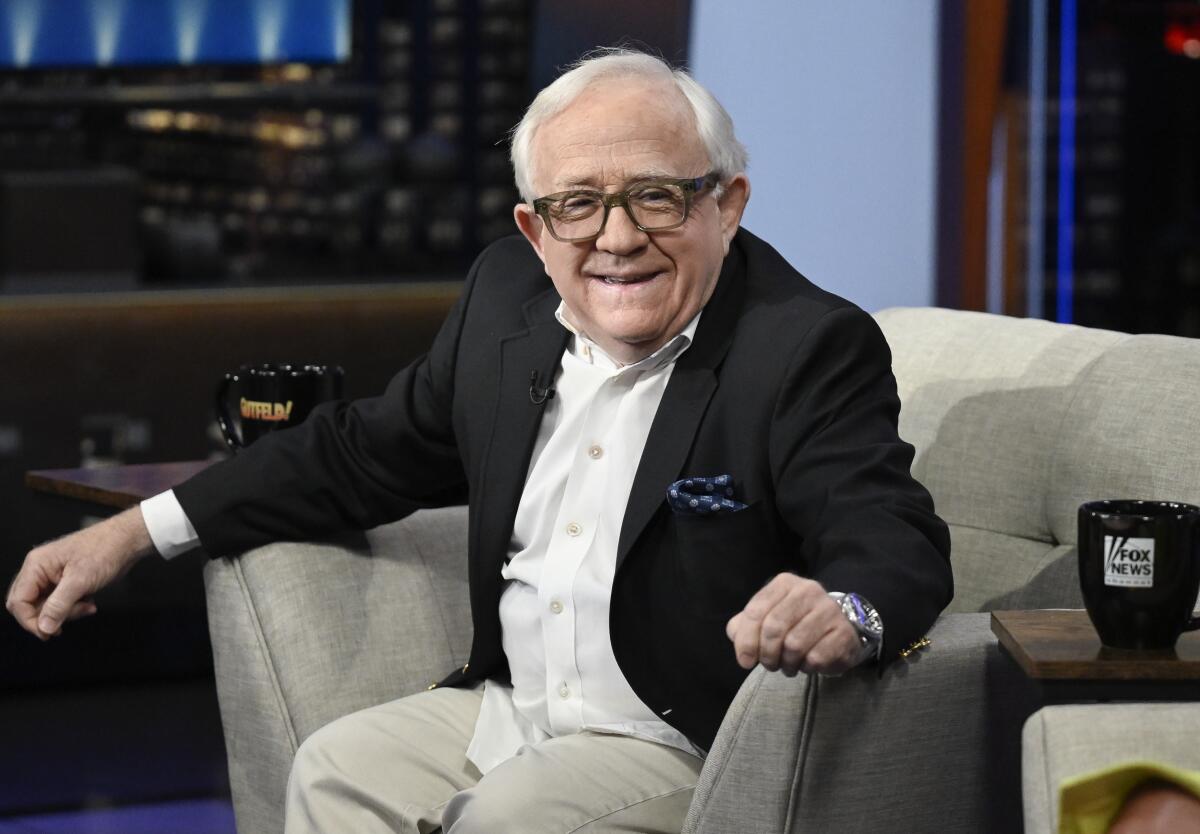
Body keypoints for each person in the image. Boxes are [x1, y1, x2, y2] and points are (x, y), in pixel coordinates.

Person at [7, 49, 952, 833]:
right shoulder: (507, 302)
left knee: (508, 822)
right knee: (335, 770)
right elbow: (358, 454)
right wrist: (133, 534)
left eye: (657, 197)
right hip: (511, 711)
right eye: (577, 204)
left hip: (680, 735)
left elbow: (891, 534)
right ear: (533, 229)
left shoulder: (804, 345)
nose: (616, 237)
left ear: (728, 203)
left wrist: (845, 608)